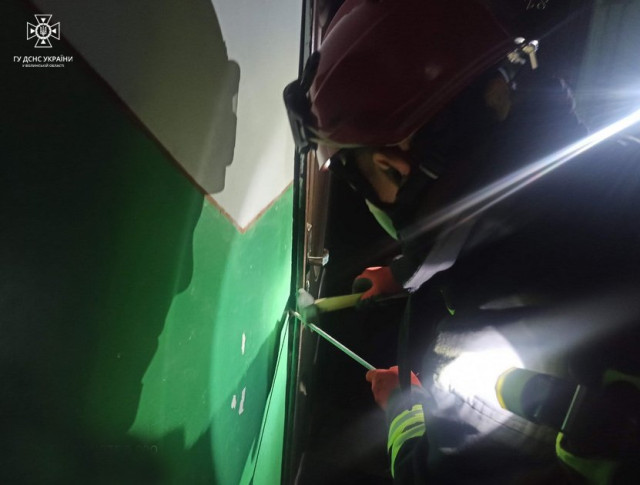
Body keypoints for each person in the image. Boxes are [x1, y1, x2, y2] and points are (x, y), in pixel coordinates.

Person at [284, 0, 640, 482]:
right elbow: (496, 230)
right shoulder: (613, 172)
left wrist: (405, 411)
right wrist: (403, 273)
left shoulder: (480, 348)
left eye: (354, 173)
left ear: (392, 166)